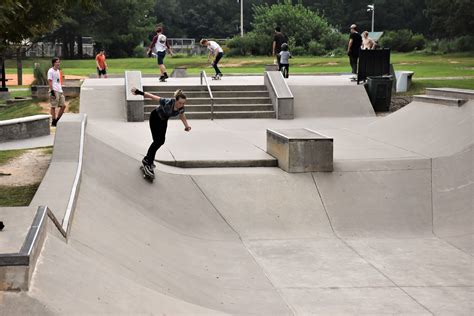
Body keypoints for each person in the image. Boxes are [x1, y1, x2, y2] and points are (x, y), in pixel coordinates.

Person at [131, 87, 191, 177]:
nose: (181, 105)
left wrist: (186, 126)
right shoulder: (167, 101)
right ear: (175, 100)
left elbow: (182, 116)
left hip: (163, 120)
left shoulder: (181, 108)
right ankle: (148, 162)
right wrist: (138, 92)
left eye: (183, 103)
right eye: (179, 103)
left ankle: (147, 159)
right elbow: (152, 97)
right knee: (157, 141)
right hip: (155, 117)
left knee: (161, 141)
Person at [47, 57, 65, 127]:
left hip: (59, 90)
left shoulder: (58, 71)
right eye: (57, 62)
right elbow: (50, 81)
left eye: (59, 62)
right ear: (54, 63)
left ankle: (57, 119)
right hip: (54, 90)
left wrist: (61, 90)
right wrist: (52, 91)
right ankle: (54, 121)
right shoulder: (50, 71)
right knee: (53, 106)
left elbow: (58, 81)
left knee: (63, 106)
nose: (58, 63)